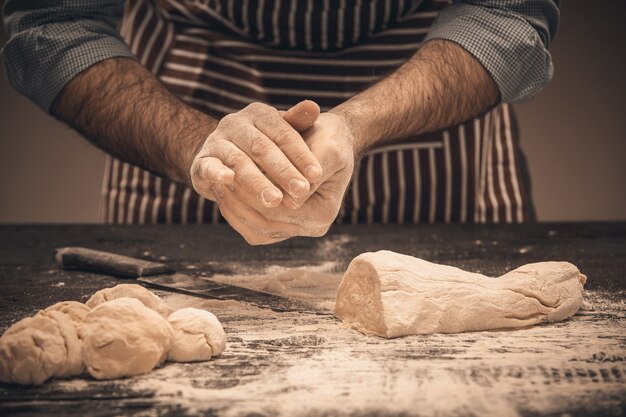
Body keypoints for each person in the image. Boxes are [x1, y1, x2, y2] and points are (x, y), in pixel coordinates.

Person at [2, 0, 559, 244]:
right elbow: (54, 22)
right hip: (183, 92)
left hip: (424, 85)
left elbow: (507, 14)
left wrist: (357, 122)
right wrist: (203, 144)